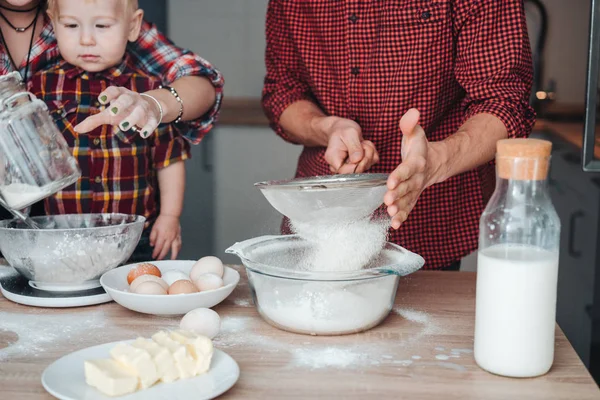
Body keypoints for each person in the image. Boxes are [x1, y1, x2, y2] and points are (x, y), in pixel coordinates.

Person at [262, 1, 535, 270]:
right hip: (319, 218)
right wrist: (327, 127)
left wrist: (436, 160)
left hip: (429, 220)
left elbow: (503, 100)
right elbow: (284, 92)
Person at [0, 0, 222, 260]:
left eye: (102, 26)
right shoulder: (41, 86)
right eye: (71, 25)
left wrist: (170, 215)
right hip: (58, 234)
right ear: (55, 23)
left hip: (133, 236)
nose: (86, 40)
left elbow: (169, 159)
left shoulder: (147, 87)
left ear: (133, 26)